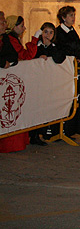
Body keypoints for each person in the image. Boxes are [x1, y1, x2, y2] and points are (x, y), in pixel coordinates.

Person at [0, 15, 38, 153]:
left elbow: (13, 56)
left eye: (5, 22)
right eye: (2, 22)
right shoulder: (9, 38)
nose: (5, 25)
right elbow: (24, 55)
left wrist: (9, 62)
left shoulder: (5, 38)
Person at [55, 6, 80, 138]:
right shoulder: (59, 33)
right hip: (63, 71)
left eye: (74, 15)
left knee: (74, 99)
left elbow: (77, 47)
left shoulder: (72, 31)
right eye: (70, 15)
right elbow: (64, 49)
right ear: (63, 17)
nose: (73, 18)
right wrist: (76, 55)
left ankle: (70, 129)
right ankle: (59, 130)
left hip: (74, 69)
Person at [32, 22, 65, 146]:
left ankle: (49, 132)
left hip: (51, 82)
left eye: (51, 32)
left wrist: (50, 46)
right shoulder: (36, 45)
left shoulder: (55, 46)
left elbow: (59, 58)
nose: (48, 35)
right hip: (38, 83)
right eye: (46, 32)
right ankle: (35, 134)